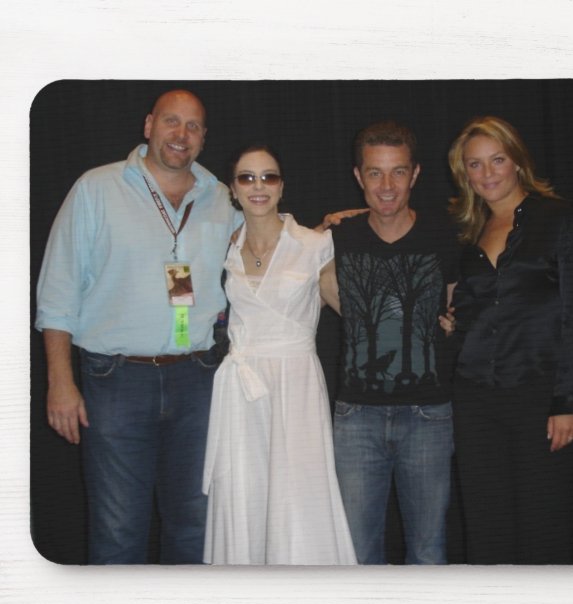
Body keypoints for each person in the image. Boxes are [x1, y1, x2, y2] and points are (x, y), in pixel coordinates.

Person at [35, 89, 242, 564]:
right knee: (118, 532)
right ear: (149, 126)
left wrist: (334, 226)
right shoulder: (96, 189)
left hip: (198, 381)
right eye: (171, 121)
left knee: (196, 527)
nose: (181, 134)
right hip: (116, 381)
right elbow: (58, 293)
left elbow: (267, 241)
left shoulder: (220, 197)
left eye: (193, 126)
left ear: (204, 137)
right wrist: (60, 382)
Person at [446, 115, 573, 564]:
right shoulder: (468, 231)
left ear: (517, 161)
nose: (487, 173)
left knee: (541, 529)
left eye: (497, 160)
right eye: (475, 164)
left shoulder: (557, 218)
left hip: (538, 396)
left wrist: (567, 400)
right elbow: (470, 308)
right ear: (464, 173)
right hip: (475, 400)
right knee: (486, 529)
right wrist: (453, 321)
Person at [201, 144, 357, 565]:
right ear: (233, 189)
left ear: (282, 186)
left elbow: (351, 308)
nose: (259, 186)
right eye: (247, 177)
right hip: (242, 391)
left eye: (268, 177)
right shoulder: (226, 246)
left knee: (299, 496)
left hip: (295, 385)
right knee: (246, 493)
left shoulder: (314, 244)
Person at [330, 121, 459, 564]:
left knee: (428, 550)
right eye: (375, 173)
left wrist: (456, 323)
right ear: (358, 176)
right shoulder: (335, 238)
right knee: (356, 554)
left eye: (398, 172)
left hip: (429, 416)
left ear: (415, 174)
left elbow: (464, 308)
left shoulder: (446, 237)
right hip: (356, 418)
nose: (386, 186)